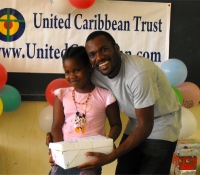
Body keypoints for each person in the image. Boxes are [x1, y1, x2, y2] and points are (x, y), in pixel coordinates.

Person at [77, 31, 182, 175]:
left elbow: (146, 126)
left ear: (116, 48)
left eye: (104, 49)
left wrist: (110, 156)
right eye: (92, 54)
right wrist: (57, 144)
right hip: (135, 122)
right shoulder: (96, 73)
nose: (99, 58)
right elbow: (74, 94)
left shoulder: (139, 73)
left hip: (161, 123)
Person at [48, 45, 122, 175]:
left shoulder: (105, 96)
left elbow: (116, 125)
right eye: (67, 72)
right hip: (64, 161)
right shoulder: (62, 95)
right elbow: (56, 126)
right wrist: (58, 152)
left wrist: (107, 143)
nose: (72, 76)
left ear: (89, 68)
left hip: (90, 161)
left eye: (76, 70)